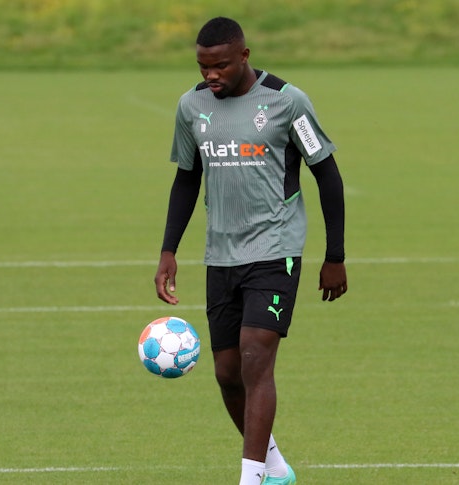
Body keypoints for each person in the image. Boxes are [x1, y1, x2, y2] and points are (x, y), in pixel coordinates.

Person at [154, 16, 348, 485]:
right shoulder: (191, 107)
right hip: (220, 253)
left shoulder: (286, 102)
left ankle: (251, 477)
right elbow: (186, 178)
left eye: (219, 66)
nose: (211, 77)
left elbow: (327, 173)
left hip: (275, 249)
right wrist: (168, 250)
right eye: (203, 68)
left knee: (255, 357)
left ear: (244, 56)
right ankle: (276, 466)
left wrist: (335, 255)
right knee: (226, 372)